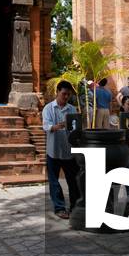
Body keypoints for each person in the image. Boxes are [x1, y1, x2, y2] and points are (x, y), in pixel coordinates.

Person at [43, 80, 80, 219]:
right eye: (64, 94)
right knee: (54, 182)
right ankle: (59, 208)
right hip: (53, 151)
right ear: (57, 92)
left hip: (69, 151)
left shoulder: (72, 109)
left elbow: (76, 128)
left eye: (68, 94)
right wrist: (57, 126)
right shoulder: (48, 108)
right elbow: (46, 126)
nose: (66, 97)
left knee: (73, 181)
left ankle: (75, 207)